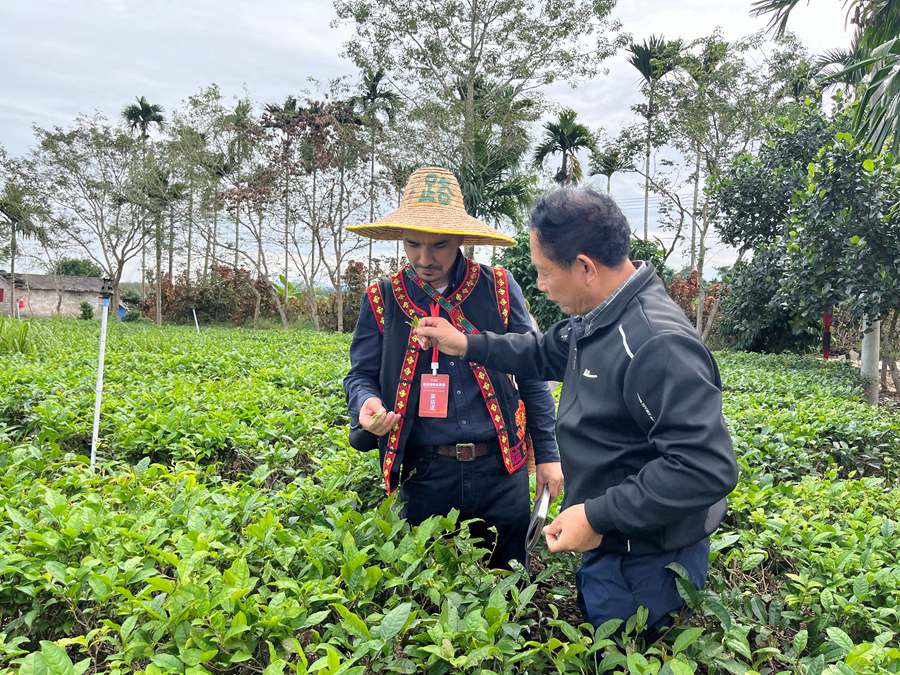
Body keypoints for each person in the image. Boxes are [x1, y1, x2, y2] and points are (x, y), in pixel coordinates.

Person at [416, 187, 738, 631]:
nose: (542, 286)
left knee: (627, 654)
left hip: (645, 564)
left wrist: (595, 515)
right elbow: (541, 353)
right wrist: (465, 343)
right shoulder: (599, 316)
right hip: (613, 545)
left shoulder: (655, 344)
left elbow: (704, 467)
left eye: (545, 272)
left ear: (585, 267)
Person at [343, 166, 563, 569]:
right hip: (425, 471)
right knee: (427, 592)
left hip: (501, 468)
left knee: (508, 580)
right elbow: (360, 374)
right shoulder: (383, 297)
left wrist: (548, 454)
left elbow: (531, 369)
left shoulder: (498, 286)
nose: (424, 259)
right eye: (412, 244)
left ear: (461, 239)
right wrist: (366, 403)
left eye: (439, 245)